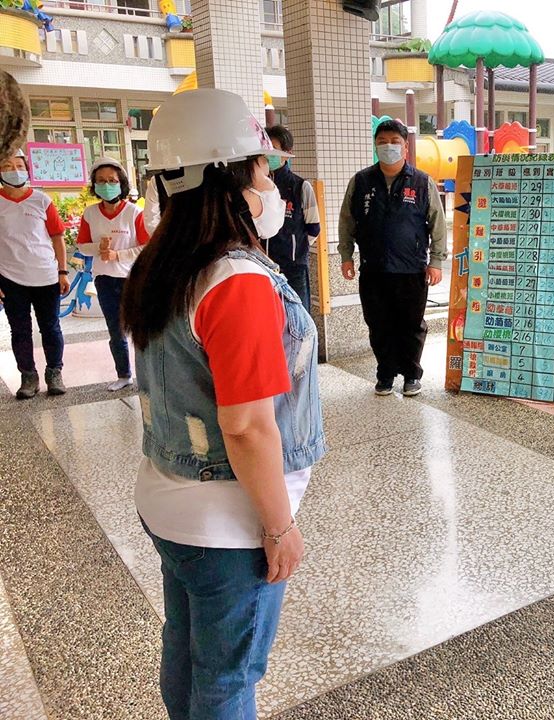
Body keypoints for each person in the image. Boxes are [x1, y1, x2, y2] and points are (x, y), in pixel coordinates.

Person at [121, 88, 325, 719]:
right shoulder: (235, 280)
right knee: (230, 676)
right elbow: (246, 428)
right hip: (227, 523)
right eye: (261, 167)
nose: (272, 182)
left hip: (169, 498)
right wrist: (279, 527)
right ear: (224, 176)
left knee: (187, 652)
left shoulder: (165, 262)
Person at [338, 119, 447, 397]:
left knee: (411, 325)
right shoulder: (361, 181)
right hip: (373, 269)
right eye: (382, 142)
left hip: (411, 270)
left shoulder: (422, 182)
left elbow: (437, 223)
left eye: (394, 142)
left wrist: (436, 261)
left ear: (406, 148)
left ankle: (412, 374)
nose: (388, 147)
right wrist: (346, 256)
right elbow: (347, 221)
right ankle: (385, 374)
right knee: (378, 324)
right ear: (375, 146)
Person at [76, 156, 150, 391]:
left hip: (132, 277)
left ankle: (147, 376)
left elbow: (146, 246)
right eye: (101, 181)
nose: (106, 185)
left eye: (112, 180)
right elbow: (81, 245)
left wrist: (118, 255)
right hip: (105, 279)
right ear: (94, 185)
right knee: (115, 330)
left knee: (139, 328)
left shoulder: (133, 212)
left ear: (121, 183)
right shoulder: (90, 214)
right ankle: (123, 374)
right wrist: (98, 247)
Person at [0, 148, 68, 399]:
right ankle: (28, 376)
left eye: (19, 165)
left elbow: (58, 237)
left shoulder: (42, 200)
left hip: (46, 276)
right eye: (7, 166)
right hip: (10, 278)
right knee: (19, 330)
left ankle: (54, 372)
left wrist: (62, 271)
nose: (14, 170)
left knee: (51, 327)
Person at [263, 125, 321, 308]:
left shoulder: (300, 187)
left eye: (273, 149)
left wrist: (295, 246)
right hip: (263, 266)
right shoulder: (256, 187)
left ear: (287, 153)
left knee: (298, 317)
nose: (268, 154)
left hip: (294, 268)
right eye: (265, 148)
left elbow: (314, 227)